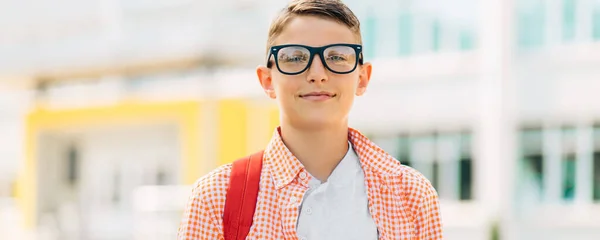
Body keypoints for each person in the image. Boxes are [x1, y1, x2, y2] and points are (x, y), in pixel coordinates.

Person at [178, 0, 443, 239]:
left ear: (362, 78)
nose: (317, 74)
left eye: (337, 57)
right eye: (295, 58)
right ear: (268, 81)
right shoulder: (217, 197)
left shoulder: (411, 195)